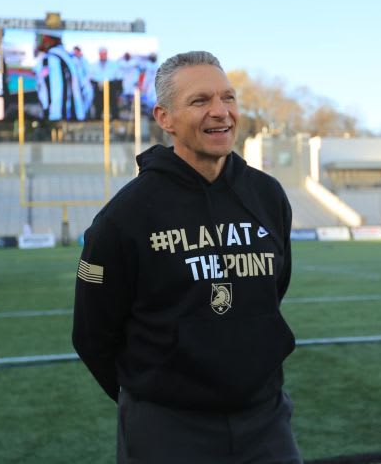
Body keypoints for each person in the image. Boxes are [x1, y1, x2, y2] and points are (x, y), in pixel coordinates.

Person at [73, 51, 302, 464]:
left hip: (264, 421)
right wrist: (152, 394)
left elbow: (272, 292)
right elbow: (93, 333)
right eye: (200, 101)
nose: (221, 112)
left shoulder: (267, 196)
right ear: (165, 118)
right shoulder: (126, 215)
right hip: (168, 429)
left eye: (227, 98)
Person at [34, 32, 85, 121]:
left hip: (54, 116)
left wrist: (47, 109)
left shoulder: (48, 60)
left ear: (47, 39)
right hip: (75, 115)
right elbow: (86, 89)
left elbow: (44, 90)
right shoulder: (72, 58)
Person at [89, 46, 121, 119]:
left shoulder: (113, 64)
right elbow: (91, 76)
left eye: (104, 54)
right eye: (101, 54)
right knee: (98, 103)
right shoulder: (93, 65)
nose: (103, 55)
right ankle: (97, 118)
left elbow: (118, 76)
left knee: (113, 103)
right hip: (98, 87)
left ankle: (115, 118)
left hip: (111, 86)